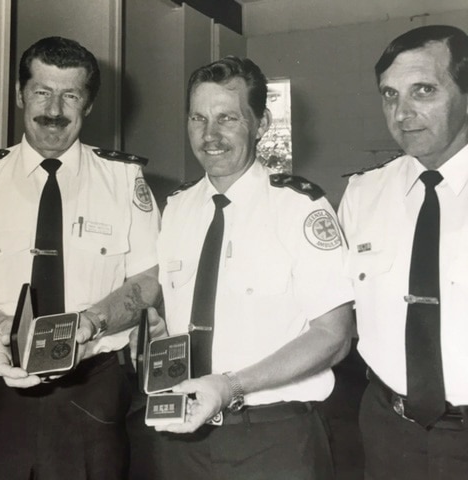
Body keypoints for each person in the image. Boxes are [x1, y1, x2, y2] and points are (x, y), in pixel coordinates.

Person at [0, 36, 160, 479]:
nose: (54, 110)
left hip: (92, 392)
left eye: (70, 95)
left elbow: (149, 278)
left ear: (89, 105)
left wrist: (92, 322)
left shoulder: (124, 182)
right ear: (21, 93)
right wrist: (0, 329)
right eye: (42, 91)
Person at [132, 56, 354, 480]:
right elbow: (172, 308)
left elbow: (333, 336)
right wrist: (154, 332)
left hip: (273, 438)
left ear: (261, 123)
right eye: (198, 118)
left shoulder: (299, 207)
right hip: (181, 436)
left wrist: (230, 386)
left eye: (227, 118)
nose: (209, 135)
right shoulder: (176, 209)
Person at [338, 25, 468, 479]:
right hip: (388, 427)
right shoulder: (363, 194)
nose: (402, 112)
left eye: (424, 90)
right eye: (389, 94)